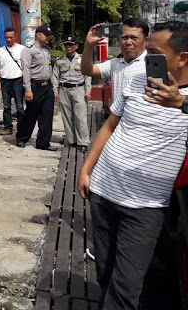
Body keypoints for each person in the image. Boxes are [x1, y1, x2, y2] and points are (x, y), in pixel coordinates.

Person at [76, 21, 188, 309]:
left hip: (146, 206)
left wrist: (181, 105)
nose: (147, 61)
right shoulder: (139, 79)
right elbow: (110, 126)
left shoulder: (184, 101)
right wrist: (87, 169)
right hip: (103, 191)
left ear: (183, 58)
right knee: (105, 270)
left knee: (126, 286)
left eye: (154, 53)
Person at [81, 18, 149, 99]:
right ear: (118, 40)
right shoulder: (114, 64)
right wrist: (89, 46)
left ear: (146, 41)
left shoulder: (151, 64)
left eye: (134, 38)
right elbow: (87, 70)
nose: (128, 42)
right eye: (124, 38)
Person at [16, 25, 56, 150]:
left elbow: (50, 70)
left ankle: (43, 143)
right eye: (46, 35)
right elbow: (26, 71)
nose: (48, 37)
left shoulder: (45, 51)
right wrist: (28, 90)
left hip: (47, 86)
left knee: (47, 116)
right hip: (35, 86)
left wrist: (54, 89)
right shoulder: (28, 51)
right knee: (31, 115)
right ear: (38, 35)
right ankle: (22, 137)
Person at [52, 35, 91, 152]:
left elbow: (88, 76)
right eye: (66, 45)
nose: (68, 47)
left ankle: (83, 142)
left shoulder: (83, 59)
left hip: (78, 89)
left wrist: (88, 92)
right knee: (67, 117)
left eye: (71, 45)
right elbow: (55, 77)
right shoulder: (60, 61)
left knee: (80, 116)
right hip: (64, 90)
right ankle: (72, 140)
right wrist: (56, 92)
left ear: (76, 46)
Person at [0, 27, 25, 136]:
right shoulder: (0, 51)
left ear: (15, 37)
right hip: (5, 81)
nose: (9, 39)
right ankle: (8, 127)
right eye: (7, 37)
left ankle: (22, 128)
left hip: (18, 80)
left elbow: (26, 67)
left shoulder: (22, 49)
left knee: (20, 106)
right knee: (6, 106)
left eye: (11, 37)